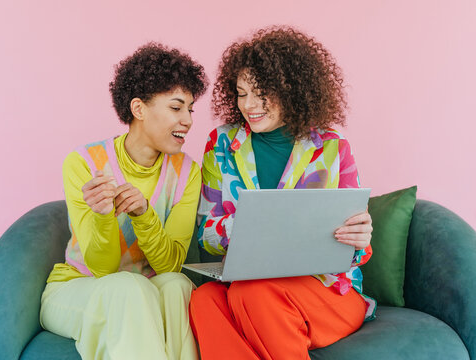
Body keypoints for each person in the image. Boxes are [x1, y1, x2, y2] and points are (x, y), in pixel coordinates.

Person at [189, 26, 375, 360]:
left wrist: (360, 238)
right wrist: (240, 227)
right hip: (247, 288)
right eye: (242, 93)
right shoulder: (221, 145)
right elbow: (206, 237)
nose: (249, 105)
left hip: (325, 291)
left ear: (293, 91)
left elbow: (356, 254)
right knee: (204, 300)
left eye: (263, 94)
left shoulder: (332, 147)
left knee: (254, 293)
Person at [40, 43, 208, 360]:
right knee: (128, 287)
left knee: (176, 285)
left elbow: (170, 265)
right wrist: (103, 215)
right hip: (78, 288)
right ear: (139, 109)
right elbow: (101, 269)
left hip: (142, 291)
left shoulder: (187, 172)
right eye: (176, 107)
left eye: (190, 108)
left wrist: (144, 215)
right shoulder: (85, 163)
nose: (187, 119)